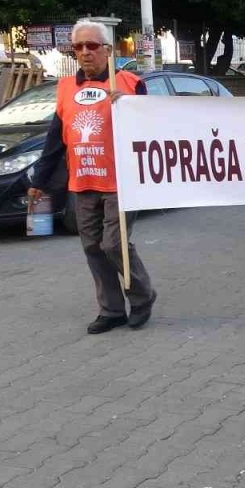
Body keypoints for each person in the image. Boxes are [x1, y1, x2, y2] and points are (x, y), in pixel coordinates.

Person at [28, 20, 158, 334]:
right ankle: (111, 310)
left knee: (114, 244)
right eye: (79, 47)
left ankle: (142, 297)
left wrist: (128, 107)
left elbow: (152, 129)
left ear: (107, 50)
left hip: (120, 183)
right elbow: (55, 140)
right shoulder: (65, 89)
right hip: (83, 182)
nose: (85, 53)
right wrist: (39, 182)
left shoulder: (128, 83)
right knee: (93, 247)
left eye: (92, 46)